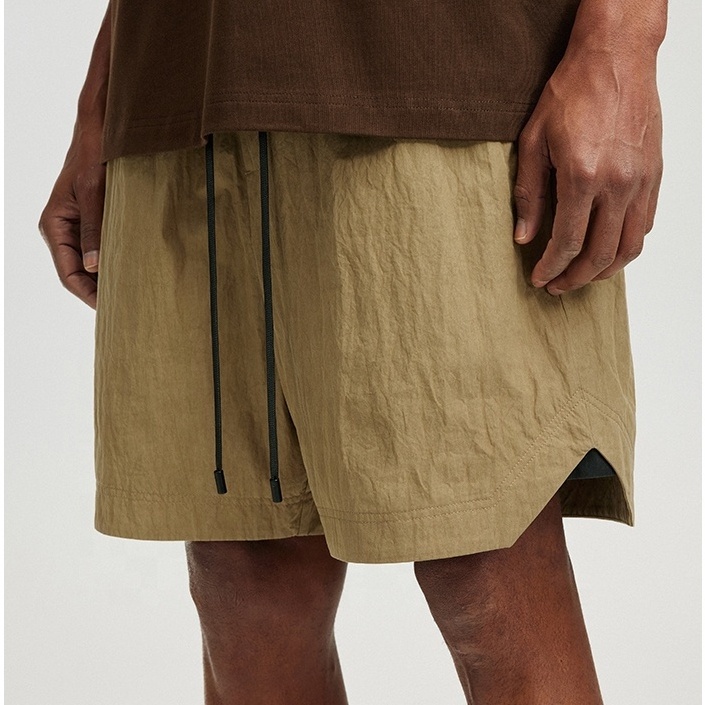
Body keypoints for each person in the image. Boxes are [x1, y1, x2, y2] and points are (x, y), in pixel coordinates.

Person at [38, 0, 666, 702]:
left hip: (447, 71)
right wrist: (104, 91)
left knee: (486, 566)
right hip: (184, 78)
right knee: (243, 583)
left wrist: (620, 43)